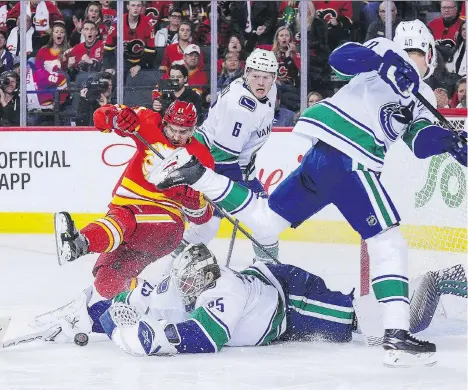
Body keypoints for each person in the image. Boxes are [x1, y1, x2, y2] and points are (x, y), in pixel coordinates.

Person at [147, 20, 467, 366]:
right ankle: (396, 337)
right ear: (428, 51)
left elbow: (419, 143)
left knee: (267, 224)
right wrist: (386, 64)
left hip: (324, 161)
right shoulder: (385, 49)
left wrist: (450, 141)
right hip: (350, 156)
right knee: (389, 242)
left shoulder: (419, 96)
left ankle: (197, 174)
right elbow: (342, 59)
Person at [29, 244, 466, 364]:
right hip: (277, 295)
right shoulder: (185, 285)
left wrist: (136, 337)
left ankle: (438, 282)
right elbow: (129, 300)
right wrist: (87, 315)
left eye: (193, 280)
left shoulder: (223, 291)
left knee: (370, 327)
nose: (187, 287)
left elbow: (202, 338)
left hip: (293, 303)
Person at [53, 100, 215, 300]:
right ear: (164, 123)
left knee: (125, 217)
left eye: (184, 132)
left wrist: (195, 203)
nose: (176, 136)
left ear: (193, 129)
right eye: (172, 129)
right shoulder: (147, 121)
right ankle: (156, 299)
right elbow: (99, 118)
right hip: (130, 222)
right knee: (107, 282)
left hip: (166, 226)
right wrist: (114, 117)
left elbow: (203, 216)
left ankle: (81, 244)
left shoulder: (202, 158)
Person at [176, 48, 279, 264]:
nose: (261, 82)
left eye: (267, 77)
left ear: (275, 78)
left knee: (261, 221)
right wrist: (239, 196)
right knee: (257, 220)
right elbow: (222, 158)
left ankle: (267, 271)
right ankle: (171, 267)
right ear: (246, 74)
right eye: (256, 76)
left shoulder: (268, 90)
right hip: (212, 165)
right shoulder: (240, 109)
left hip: (228, 164)